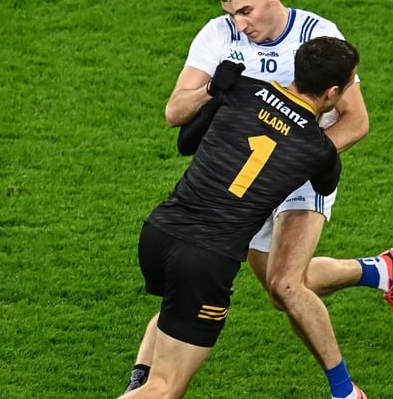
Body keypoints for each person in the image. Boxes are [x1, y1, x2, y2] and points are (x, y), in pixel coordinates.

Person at [123, 0, 393, 396]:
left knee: (285, 285)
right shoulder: (218, 35)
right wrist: (211, 88)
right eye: (231, 14)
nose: (240, 24)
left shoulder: (318, 37)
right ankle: (379, 270)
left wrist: (297, 156)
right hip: (243, 177)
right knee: (278, 286)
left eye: (246, 11)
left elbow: (356, 121)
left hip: (300, 173)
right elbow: (174, 113)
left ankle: (343, 389)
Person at [120, 37, 368, 399]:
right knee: (166, 388)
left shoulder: (243, 89)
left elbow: (186, 141)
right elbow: (325, 181)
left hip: (160, 232)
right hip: (206, 259)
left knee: (174, 311)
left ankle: (137, 381)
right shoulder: (319, 149)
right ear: (332, 93)